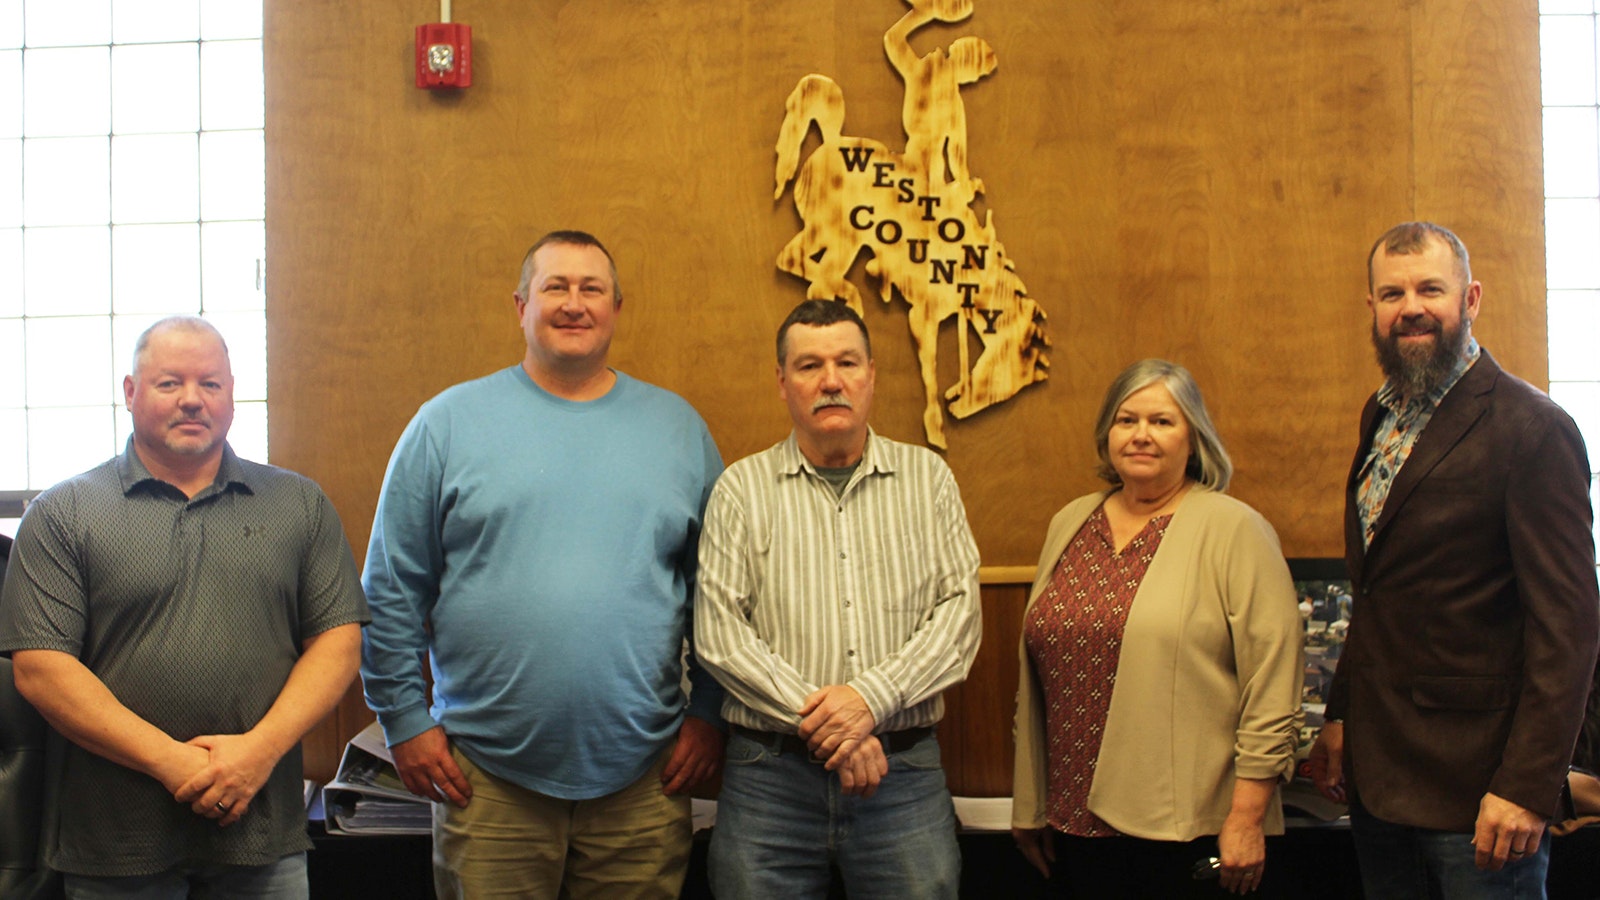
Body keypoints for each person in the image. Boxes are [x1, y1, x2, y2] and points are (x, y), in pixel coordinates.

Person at [360, 230, 725, 899]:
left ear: (616, 307)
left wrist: (707, 712)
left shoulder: (679, 430)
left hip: (643, 780)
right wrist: (405, 722)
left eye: (592, 289)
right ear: (520, 306)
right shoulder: (445, 425)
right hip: (487, 780)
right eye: (555, 287)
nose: (574, 303)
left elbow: (720, 595)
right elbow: (389, 590)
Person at [0, 316, 369, 898]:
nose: (192, 400)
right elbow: (41, 668)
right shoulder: (63, 513)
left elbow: (339, 641)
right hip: (114, 839)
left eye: (211, 384)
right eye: (169, 383)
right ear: (130, 392)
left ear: (231, 394)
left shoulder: (298, 503)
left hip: (261, 830)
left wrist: (258, 753)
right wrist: (173, 764)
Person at [1309, 222, 1600, 898]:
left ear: (1470, 299)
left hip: (1480, 796)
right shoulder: (1380, 417)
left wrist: (1527, 788)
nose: (1410, 306)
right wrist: (1342, 715)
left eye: (1430, 289)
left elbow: (1570, 629)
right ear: (1373, 310)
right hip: (1380, 786)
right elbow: (1377, 589)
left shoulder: (1532, 429)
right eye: (1392, 292)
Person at [694, 298, 982, 899]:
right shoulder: (740, 490)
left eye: (847, 363)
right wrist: (840, 729)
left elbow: (958, 619)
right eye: (809, 366)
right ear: (782, 382)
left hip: (901, 778)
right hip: (769, 780)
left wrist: (869, 702)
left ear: (871, 375)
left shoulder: (928, 479)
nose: (830, 381)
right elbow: (720, 637)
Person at [1011, 359, 1304, 898]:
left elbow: (1274, 684)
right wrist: (1031, 804)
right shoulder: (1070, 521)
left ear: (1194, 438)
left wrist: (1246, 818)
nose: (1141, 435)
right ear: (1107, 435)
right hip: (1071, 823)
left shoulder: (1235, 529)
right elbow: (1037, 677)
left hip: (1186, 830)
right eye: (1127, 420)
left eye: (1163, 422)